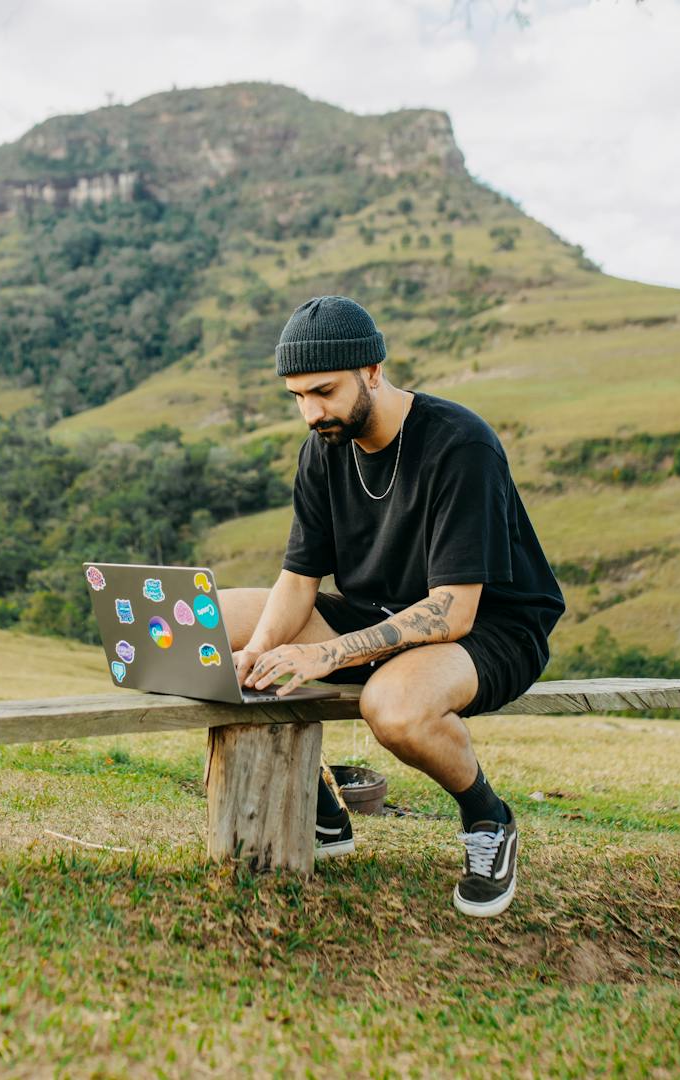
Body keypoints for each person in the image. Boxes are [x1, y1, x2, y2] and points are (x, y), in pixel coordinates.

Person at [222, 295, 565, 917]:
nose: (309, 412)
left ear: (374, 371)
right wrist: (259, 650)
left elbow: (453, 612)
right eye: (296, 396)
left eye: (323, 392)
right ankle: (320, 799)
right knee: (212, 624)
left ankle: (487, 818)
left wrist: (324, 654)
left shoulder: (460, 444)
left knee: (395, 708)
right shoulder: (324, 444)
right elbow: (299, 578)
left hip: (489, 627)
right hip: (375, 613)